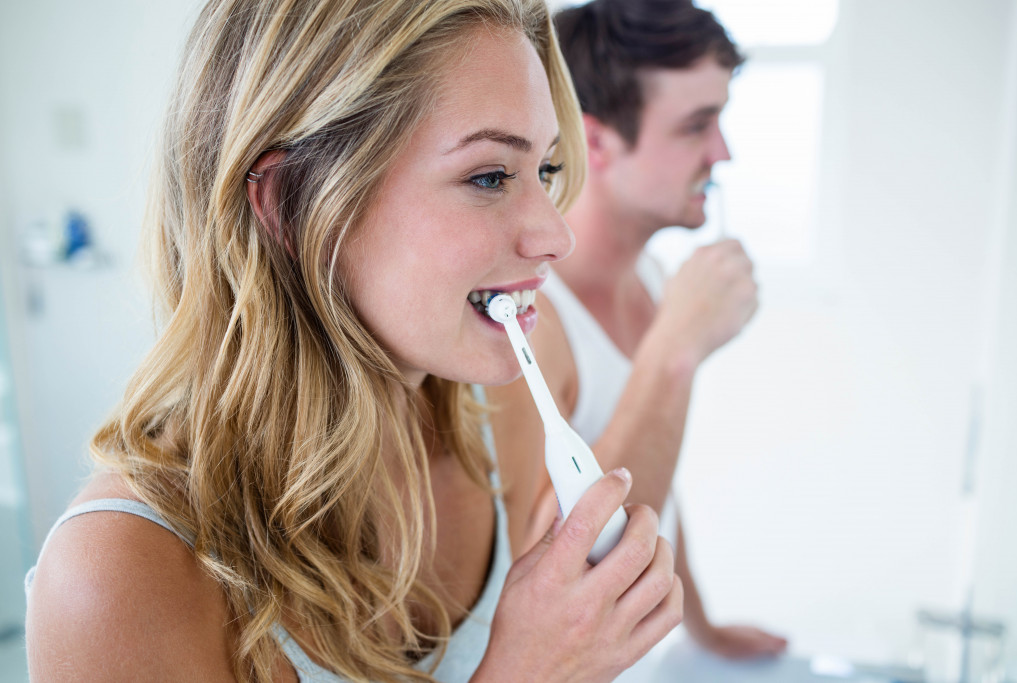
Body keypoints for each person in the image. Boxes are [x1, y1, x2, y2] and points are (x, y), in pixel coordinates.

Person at [23, 1, 683, 680]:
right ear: (292, 202)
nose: (555, 235)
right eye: (489, 176)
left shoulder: (498, 423)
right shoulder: (116, 578)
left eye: (544, 171)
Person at [487, 0, 788, 660]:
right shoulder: (531, 320)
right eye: (696, 125)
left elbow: (654, 472)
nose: (723, 151)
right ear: (595, 142)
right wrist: (675, 351)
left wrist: (705, 629)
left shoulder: (652, 276)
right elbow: (559, 566)